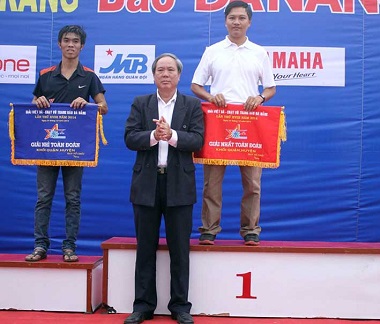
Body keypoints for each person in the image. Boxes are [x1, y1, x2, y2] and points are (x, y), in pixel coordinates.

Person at [124, 53, 204, 324]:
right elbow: (129, 137)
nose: (166, 74)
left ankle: (180, 306)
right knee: (145, 247)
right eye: (160, 70)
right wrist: (151, 136)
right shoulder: (141, 103)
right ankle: (143, 305)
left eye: (171, 70)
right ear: (154, 75)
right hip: (146, 183)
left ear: (179, 75)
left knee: (179, 249)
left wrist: (171, 136)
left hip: (179, 184)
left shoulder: (192, 105)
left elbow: (198, 140)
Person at [191, 1, 276, 246]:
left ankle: (251, 229)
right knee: (212, 182)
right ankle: (209, 228)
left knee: (253, 183)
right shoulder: (213, 50)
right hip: (218, 121)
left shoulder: (259, 52)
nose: (236, 22)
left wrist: (259, 97)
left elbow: (270, 88)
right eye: (232, 18)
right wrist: (210, 96)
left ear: (249, 22)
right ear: (225, 21)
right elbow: (196, 85)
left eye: (241, 18)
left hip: (250, 123)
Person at [25, 25, 108, 263]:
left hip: (75, 149)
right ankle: (40, 246)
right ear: (59, 44)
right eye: (66, 40)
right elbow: (32, 109)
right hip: (47, 148)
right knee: (44, 198)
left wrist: (89, 103)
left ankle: (69, 247)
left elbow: (104, 107)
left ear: (82, 46)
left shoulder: (89, 76)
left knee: (73, 199)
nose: (70, 44)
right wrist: (38, 100)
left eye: (75, 41)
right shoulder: (45, 75)